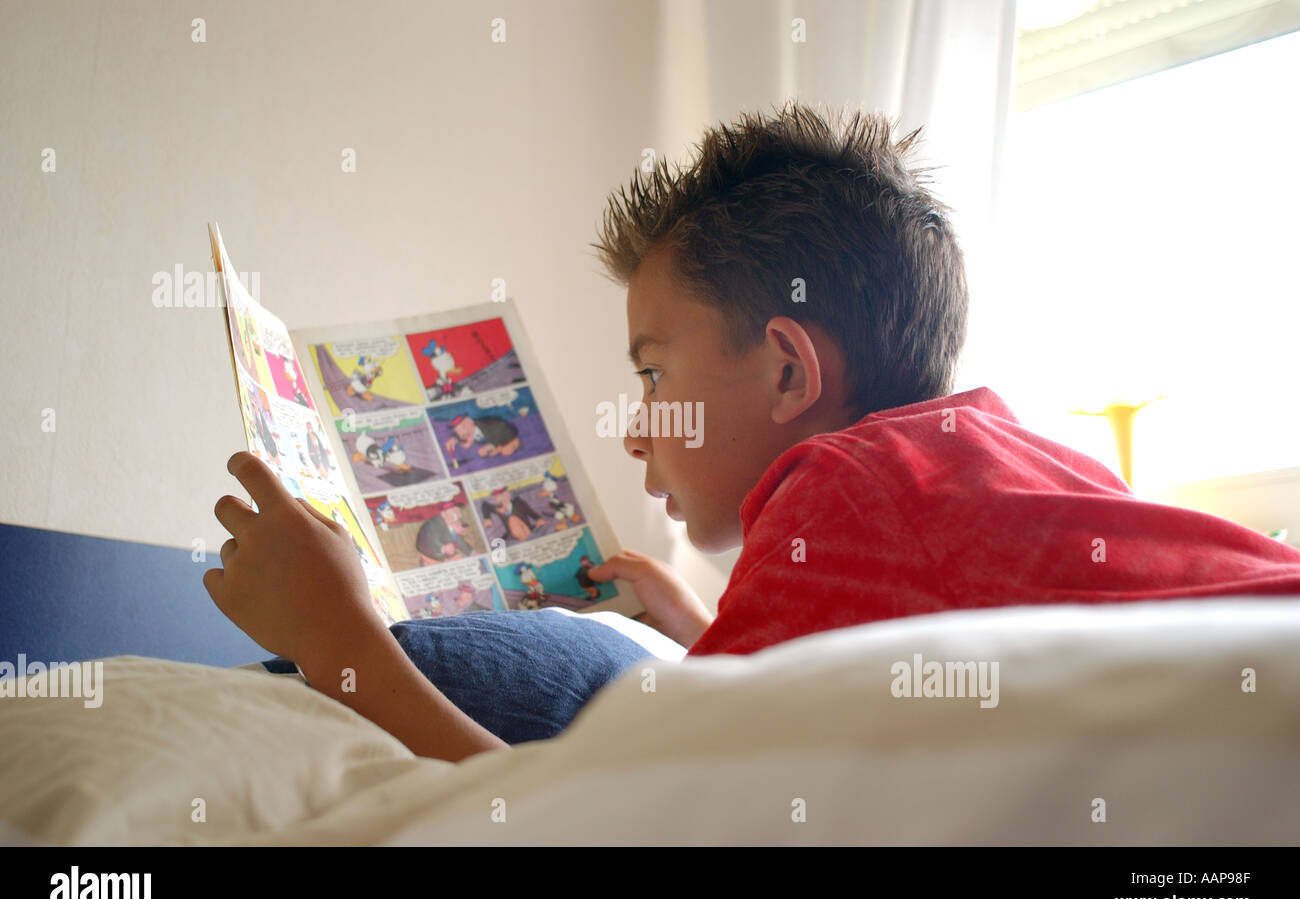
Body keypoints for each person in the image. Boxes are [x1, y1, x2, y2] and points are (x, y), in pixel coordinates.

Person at [203, 102, 1300, 763]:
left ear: (786, 368)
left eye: (652, 374)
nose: (636, 436)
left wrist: (342, 647)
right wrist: (704, 636)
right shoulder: (971, 454)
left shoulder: (844, 485)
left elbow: (608, 833)